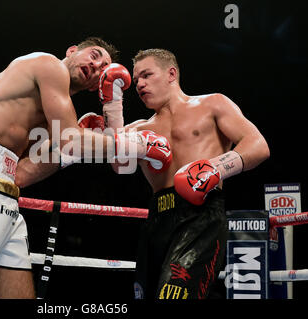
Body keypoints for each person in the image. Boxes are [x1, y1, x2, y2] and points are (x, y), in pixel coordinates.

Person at [0, 37, 170, 299]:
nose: (96, 66)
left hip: (4, 189)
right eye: (94, 55)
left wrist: (72, 150)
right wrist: (139, 145)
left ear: (97, 84)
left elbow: (22, 174)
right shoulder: (48, 65)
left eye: (103, 67)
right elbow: (72, 141)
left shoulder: (53, 117)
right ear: (72, 51)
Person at [79, 48, 270, 299]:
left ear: (171, 73)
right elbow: (120, 166)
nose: (140, 85)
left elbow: (258, 145)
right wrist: (112, 107)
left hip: (200, 216)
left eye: (147, 75)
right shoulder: (138, 129)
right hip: (157, 218)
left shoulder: (212, 103)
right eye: (136, 80)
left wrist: (216, 168)